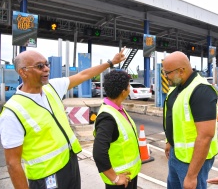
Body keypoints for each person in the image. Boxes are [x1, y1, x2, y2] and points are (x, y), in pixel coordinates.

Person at [0, 48, 126, 189]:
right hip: (46, 177)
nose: (46, 69)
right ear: (23, 72)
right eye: (40, 66)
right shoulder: (12, 112)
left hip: (69, 164)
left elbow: (83, 75)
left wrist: (111, 62)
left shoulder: (52, 88)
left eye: (47, 64)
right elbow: (13, 163)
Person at [162, 51, 218, 189]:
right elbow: (174, 119)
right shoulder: (177, 89)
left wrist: (192, 175)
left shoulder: (201, 90)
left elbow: (205, 136)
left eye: (168, 72)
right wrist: (169, 141)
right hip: (177, 154)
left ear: (181, 71)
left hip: (193, 161)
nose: (165, 77)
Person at [93, 70, 141, 189]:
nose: (129, 88)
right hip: (120, 181)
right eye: (129, 85)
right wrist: (115, 178)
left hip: (130, 176)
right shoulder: (107, 118)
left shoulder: (118, 109)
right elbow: (99, 153)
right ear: (123, 91)